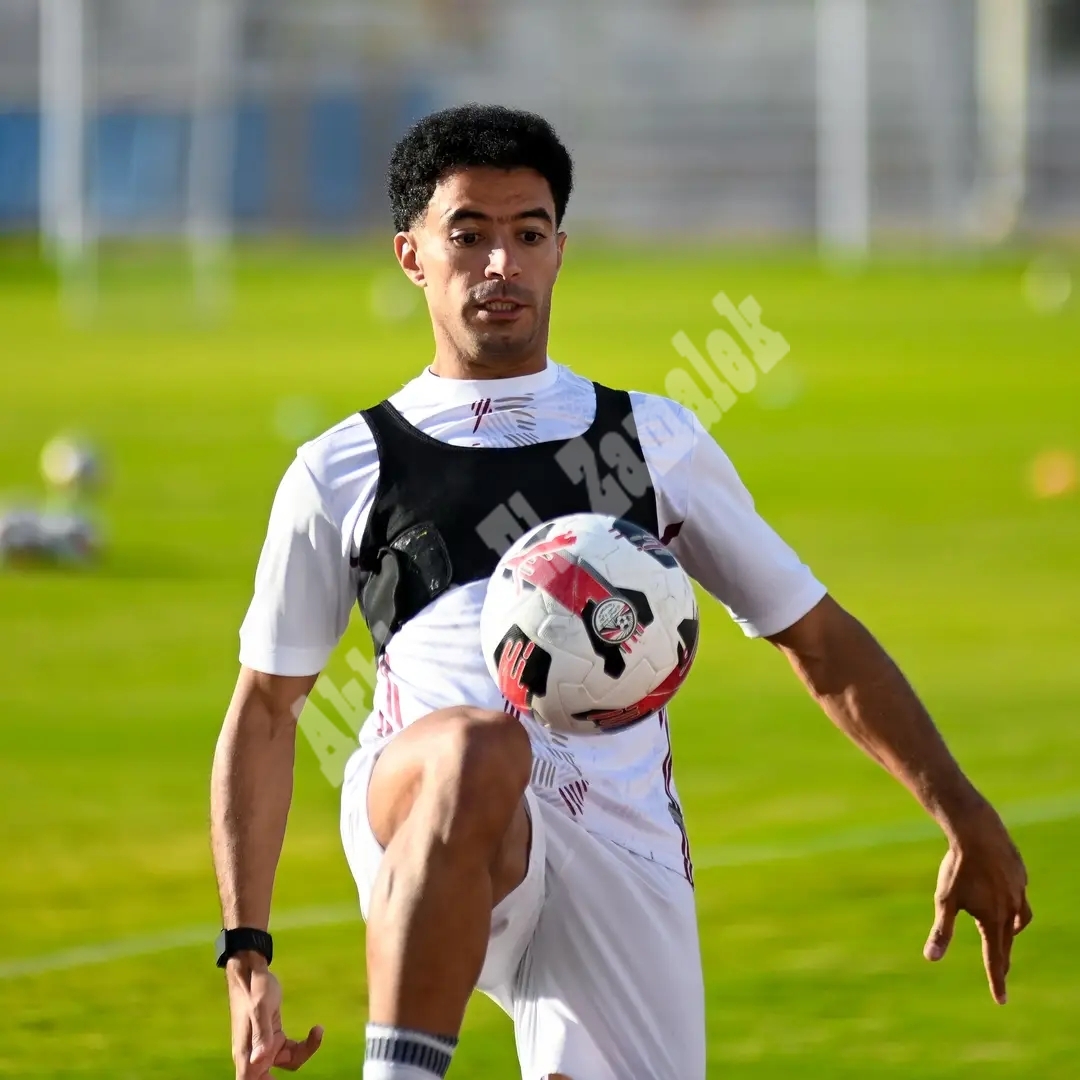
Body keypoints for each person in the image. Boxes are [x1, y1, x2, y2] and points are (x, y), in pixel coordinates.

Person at [210, 104, 1031, 1080]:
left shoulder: (656, 440)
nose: (501, 264)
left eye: (528, 234)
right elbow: (266, 713)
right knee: (478, 748)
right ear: (412, 256)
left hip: (618, 830)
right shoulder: (341, 468)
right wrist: (245, 954)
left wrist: (962, 810)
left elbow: (816, 638)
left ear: (560, 250)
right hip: (429, 802)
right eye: (468, 235)